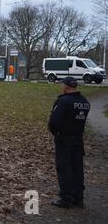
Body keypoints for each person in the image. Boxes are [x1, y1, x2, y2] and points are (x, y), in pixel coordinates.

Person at [48, 77, 91, 208]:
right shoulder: (84, 102)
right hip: (78, 139)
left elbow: (54, 122)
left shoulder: (63, 101)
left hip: (64, 139)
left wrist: (56, 132)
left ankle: (65, 198)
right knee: (77, 168)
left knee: (64, 168)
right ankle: (78, 197)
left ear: (66, 86)